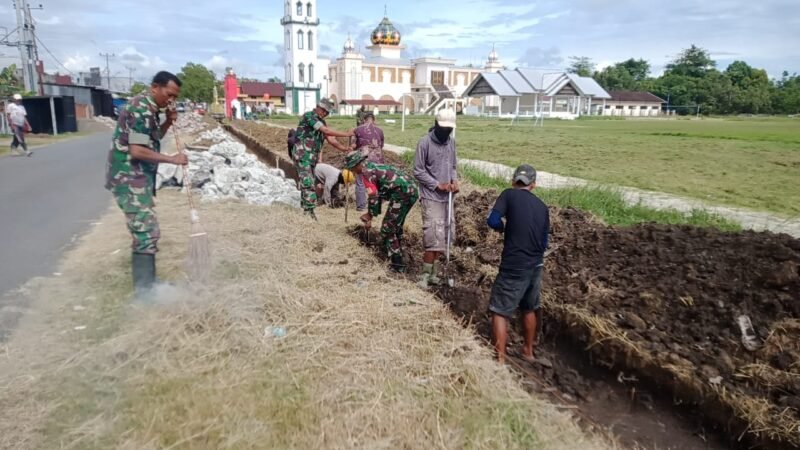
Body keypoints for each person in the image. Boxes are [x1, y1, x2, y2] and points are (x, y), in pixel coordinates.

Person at [105, 71, 188, 297]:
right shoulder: (140, 110)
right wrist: (172, 159)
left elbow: (151, 140)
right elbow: (137, 150)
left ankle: (148, 286)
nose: (171, 101)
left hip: (137, 179)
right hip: (129, 178)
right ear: (155, 88)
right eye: (169, 95)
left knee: (146, 230)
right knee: (146, 232)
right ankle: (145, 293)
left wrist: (168, 123)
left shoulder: (150, 110)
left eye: (175, 97)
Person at [486, 164, 550, 364]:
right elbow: (545, 241)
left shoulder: (508, 194)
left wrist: (503, 228)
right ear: (533, 185)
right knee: (529, 308)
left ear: (514, 181)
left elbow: (493, 220)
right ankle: (528, 351)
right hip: (536, 265)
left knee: (500, 311)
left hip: (515, 264)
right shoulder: (542, 207)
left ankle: (500, 360)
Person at [344, 151, 418, 273]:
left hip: (402, 193)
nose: (352, 171)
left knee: (387, 228)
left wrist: (369, 215)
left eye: (352, 168)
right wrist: (371, 215)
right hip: (412, 190)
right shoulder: (374, 166)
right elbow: (379, 195)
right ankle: (401, 253)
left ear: (357, 164)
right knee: (396, 225)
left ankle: (397, 265)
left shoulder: (366, 173)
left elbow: (373, 194)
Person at [413, 109, 459, 288]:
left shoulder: (451, 143)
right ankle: (424, 274)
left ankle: (434, 274)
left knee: (445, 234)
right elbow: (418, 170)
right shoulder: (424, 143)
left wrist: (454, 181)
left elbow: (453, 165)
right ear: (436, 124)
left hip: (448, 197)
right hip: (431, 196)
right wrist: (436, 184)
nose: (446, 132)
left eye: (449, 129)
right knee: (432, 234)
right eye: (444, 128)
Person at [291, 98, 353, 220]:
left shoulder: (322, 122)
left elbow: (331, 139)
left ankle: (306, 210)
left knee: (309, 183)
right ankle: (309, 212)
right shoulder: (309, 116)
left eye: (327, 113)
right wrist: (346, 134)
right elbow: (325, 131)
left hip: (312, 158)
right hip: (303, 154)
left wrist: (344, 148)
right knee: (308, 183)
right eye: (324, 111)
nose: (325, 114)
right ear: (319, 107)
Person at [351, 111, 385, 211]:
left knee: (361, 182)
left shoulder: (357, 129)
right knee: (376, 182)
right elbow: (381, 145)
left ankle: (361, 206)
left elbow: (353, 146)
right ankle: (376, 206)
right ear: (374, 119)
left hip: (363, 159)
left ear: (363, 120)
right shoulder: (380, 130)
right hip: (378, 160)